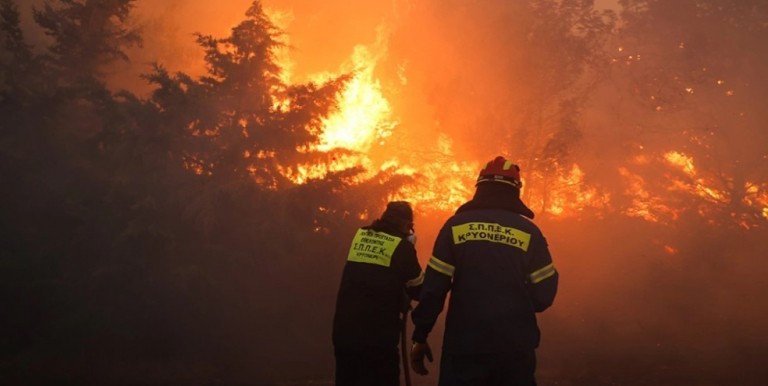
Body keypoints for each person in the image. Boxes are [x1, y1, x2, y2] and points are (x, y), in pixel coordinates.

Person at [410, 156, 559, 386]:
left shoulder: (455, 227)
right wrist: (514, 303)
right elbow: (543, 295)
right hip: (515, 348)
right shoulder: (530, 233)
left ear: (480, 188)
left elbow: (434, 289)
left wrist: (420, 334)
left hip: (465, 346)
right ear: (515, 191)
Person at [333, 201, 425, 386]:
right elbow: (420, 290)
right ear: (407, 225)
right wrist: (410, 247)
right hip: (377, 339)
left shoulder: (360, 235)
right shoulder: (402, 247)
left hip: (345, 333)